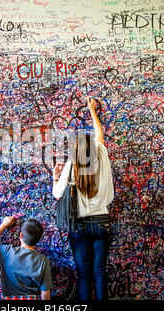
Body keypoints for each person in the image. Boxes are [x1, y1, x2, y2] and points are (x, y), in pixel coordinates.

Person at [52, 98, 115, 300]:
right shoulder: (102, 155)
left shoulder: (72, 166)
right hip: (101, 222)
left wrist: (55, 178)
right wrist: (93, 111)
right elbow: (99, 134)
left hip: (78, 225)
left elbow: (57, 194)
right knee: (99, 272)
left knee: (83, 274)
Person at [0, 216, 52, 300]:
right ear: (38, 240)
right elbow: (45, 293)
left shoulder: (7, 252)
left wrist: (3, 225)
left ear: (20, 236)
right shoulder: (43, 261)